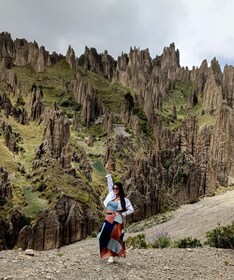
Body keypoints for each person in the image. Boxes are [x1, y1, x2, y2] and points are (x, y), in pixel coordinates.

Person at [97, 161, 134, 263]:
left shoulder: (124, 201)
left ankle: (112, 256)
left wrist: (123, 213)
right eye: (114, 188)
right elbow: (109, 181)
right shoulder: (111, 194)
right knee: (102, 235)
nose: (114, 189)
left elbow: (131, 209)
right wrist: (107, 170)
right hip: (108, 218)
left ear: (120, 189)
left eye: (116, 188)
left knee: (115, 237)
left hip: (117, 219)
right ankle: (111, 253)